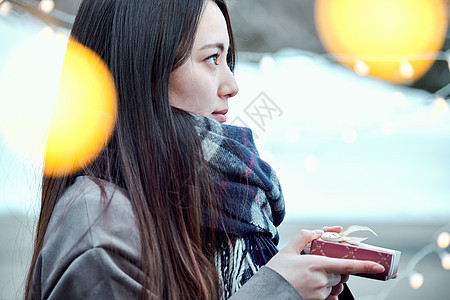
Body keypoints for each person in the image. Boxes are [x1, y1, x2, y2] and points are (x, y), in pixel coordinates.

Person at [25, 0, 386, 299]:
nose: (231, 84)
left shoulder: (202, 204)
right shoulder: (100, 223)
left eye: (228, 59)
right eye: (212, 58)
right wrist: (278, 289)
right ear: (147, 69)